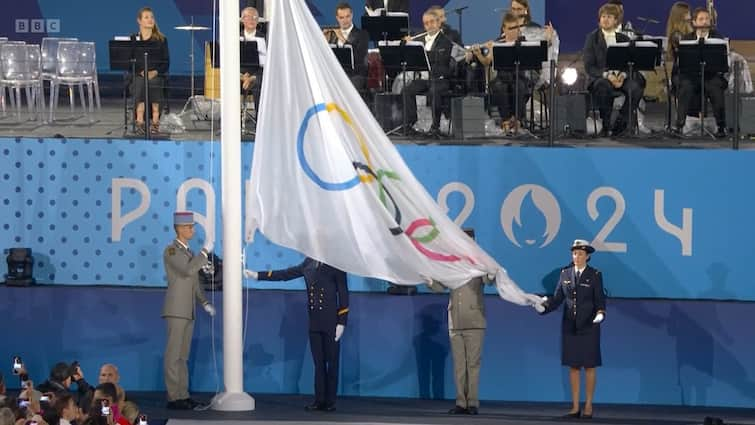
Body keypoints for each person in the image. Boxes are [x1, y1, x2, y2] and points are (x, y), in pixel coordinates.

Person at [244, 257, 349, 412]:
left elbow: (344, 295)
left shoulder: (337, 264)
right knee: (318, 364)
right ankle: (319, 400)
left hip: (331, 322)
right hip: (314, 321)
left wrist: (342, 322)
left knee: (332, 363)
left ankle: (330, 401)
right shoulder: (308, 263)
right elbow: (285, 274)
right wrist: (257, 275)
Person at [424, 229, 493, 415]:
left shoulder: (480, 261)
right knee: (459, 365)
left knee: (473, 365)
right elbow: (440, 287)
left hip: (474, 320)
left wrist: (492, 272)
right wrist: (429, 281)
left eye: (467, 240)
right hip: (455, 320)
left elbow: (489, 279)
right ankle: (461, 403)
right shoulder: (452, 263)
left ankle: (472, 403)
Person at [540, 239, 606, 419]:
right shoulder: (565, 274)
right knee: (574, 367)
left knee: (590, 366)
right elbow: (557, 298)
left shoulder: (595, 275)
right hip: (570, 326)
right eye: (574, 253)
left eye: (581, 254)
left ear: (588, 256)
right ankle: (575, 406)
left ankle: (589, 405)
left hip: (589, 326)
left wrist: (600, 314)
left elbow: (600, 300)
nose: (577, 257)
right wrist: (542, 307)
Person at [162, 211, 216, 410]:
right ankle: (173, 397)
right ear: (178, 229)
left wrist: (203, 302)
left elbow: (194, 282)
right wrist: (204, 253)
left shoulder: (189, 253)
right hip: (176, 309)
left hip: (188, 310)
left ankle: (182, 395)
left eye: (192, 226)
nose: (192, 230)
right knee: (173, 355)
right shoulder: (171, 251)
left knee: (183, 356)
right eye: (188, 227)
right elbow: (186, 271)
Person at [583, 2, 645, 137]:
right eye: (603, 16)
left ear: (616, 20)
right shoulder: (592, 38)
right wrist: (607, 75)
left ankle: (620, 124)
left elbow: (630, 63)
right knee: (603, 86)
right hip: (600, 78)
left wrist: (622, 75)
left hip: (620, 77)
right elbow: (589, 66)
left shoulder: (624, 39)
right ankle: (606, 126)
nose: (605, 19)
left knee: (636, 88)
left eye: (609, 17)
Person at [673, 7, 728, 138]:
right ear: (694, 22)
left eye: (707, 19)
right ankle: (679, 126)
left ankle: (721, 126)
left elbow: (724, 63)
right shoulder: (686, 39)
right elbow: (681, 65)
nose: (705, 22)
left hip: (711, 75)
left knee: (715, 88)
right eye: (701, 19)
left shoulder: (718, 38)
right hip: (691, 76)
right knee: (685, 87)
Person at [401, 9, 452, 136]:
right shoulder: (421, 40)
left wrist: (422, 52)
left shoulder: (446, 41)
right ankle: (410, 123)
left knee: (434, 90)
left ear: (438, 23)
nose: (429, 25)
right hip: (425, 79)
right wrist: (408, 46)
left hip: (441, 79)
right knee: (406, 90)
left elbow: (443, 62)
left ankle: (435, 127)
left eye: (432, 22)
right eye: (426, 23)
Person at [130, 7, 170, 135]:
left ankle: (155, 121)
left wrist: (155, 72)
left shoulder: (161, 40)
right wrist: (140, 71)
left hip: (156, 74)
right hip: (139, 74)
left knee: (154, 83)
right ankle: (139, 120)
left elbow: (166, 62)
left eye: (152, 17)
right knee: (140, 83)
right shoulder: (133, 39)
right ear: (139, 21)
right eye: (146, 17)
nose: (150, 20)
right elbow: (129, 61)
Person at [324, 2, 370, 91]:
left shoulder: (362, 34)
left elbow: (358, 58)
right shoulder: (333, 34)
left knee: (350, 84)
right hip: (336, 72)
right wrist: (325, 40)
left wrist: (341, 37)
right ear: (337, 18)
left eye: (347, 16)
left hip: (355, 74)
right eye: (341, 17)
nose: (345, 20)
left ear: (352, 15)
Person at [239, 6, 266, 116]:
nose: (252, 20)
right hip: (239, 73)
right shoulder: (235, 37)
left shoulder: (264, 38)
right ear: (242, 19)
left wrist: (250, 78)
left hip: (257, 74)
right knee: (229, 83)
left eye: (255, 17)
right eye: (249, 17)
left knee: (260, 84)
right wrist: (243, 77)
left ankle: (260, 121)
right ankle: (232, 123)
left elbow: (266, 64)